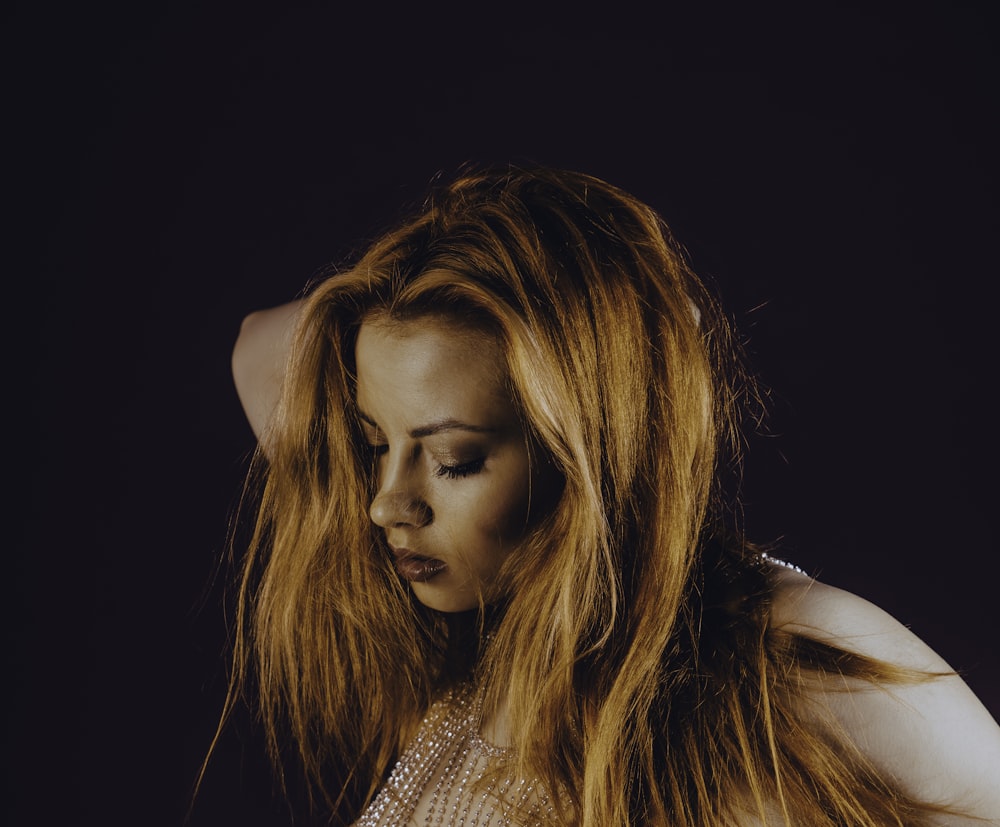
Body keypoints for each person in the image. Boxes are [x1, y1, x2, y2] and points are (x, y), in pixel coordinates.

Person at [221, 165, 1000, 826]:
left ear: (589, 450)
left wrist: (631, 357)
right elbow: (262, 344)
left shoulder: (791, 654)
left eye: (455, 459)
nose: (387, 504)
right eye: (376, 445)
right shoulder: (491, 644)